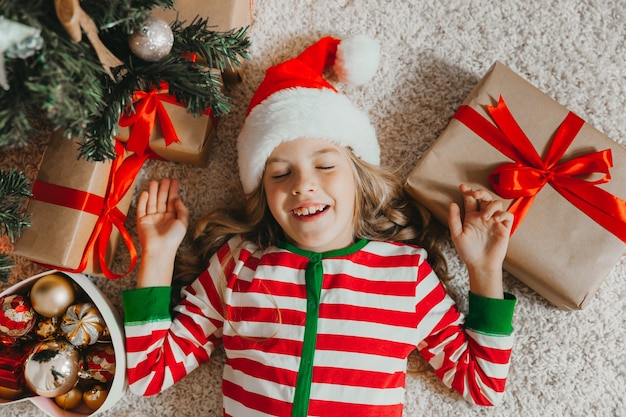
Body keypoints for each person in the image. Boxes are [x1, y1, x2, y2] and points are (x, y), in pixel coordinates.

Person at [122, 35, 517, 417]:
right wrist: (157, 255)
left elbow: (482, 384)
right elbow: (148, 373)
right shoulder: (237, 266)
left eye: (325, 166)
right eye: (279, 174)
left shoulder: (405, 275)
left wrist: (483, 271)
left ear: (360, 180)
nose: (302, 185)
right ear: (264, 197)